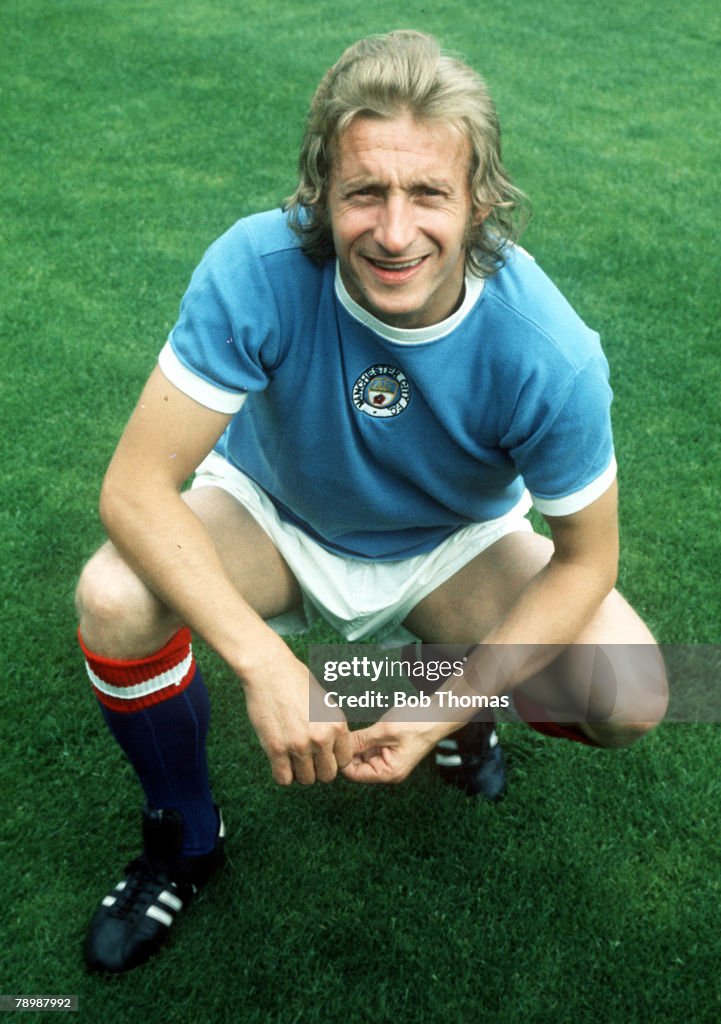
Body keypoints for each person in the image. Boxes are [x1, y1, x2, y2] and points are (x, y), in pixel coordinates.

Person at [75, 29, 668, 974]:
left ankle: (447, 696)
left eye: (428, 192)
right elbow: (134, 488)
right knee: (113, 599)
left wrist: (449, 700)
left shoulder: (547, 349)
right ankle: (182, 838)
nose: (395, 232)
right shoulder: (256, 266)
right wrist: (266, 664)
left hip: (450, 543)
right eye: (364, 192)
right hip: (273, 513)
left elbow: (587, 559)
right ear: (320, 191)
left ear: (478, 199)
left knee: (631, 693)